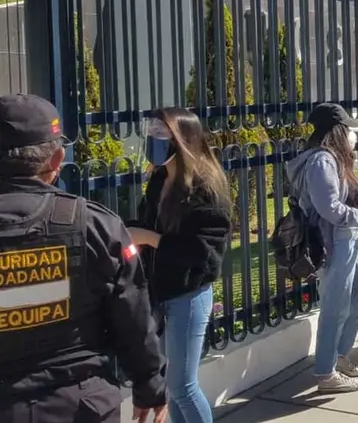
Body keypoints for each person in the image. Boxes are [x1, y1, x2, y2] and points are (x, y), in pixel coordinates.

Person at [0, 94, 166, 423]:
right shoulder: (95, 225)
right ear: (57, 158)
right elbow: (132, 314)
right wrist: (150, 384)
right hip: (78, 406)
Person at [130, 108, 234, 422]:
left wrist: (150, 238)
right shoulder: (160, 178)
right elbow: (149, 222)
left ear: (182, 139)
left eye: (161, 133)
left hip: (189, 293)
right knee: (174, 388)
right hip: (162, 290)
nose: (152, 138)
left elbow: (202, 250)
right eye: (150, 130)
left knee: (182, 385)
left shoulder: (205, 188)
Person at [285, 103, 358, 393]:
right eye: (348, 129)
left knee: (354, 302)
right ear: (336, 131)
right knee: (335, 308)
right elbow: (329, 209)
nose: (352, 136)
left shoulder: (333, 160)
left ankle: (340, 356)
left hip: (347, 239)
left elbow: (342, 202)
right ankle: (326, 373)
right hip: (334, 244)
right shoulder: (321, 162)